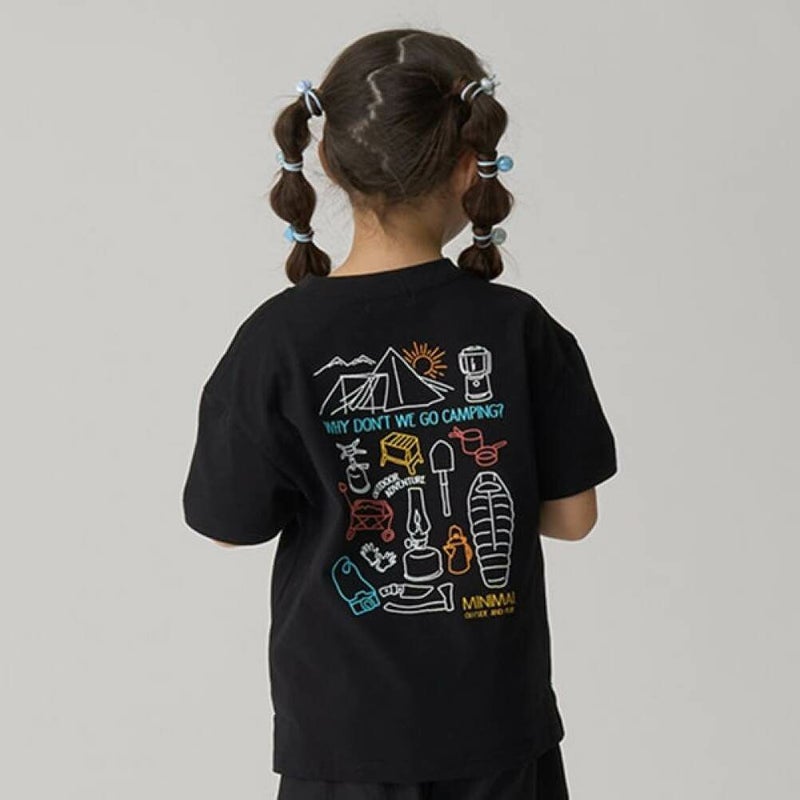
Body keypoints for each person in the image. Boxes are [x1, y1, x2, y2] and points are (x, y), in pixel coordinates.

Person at [182, 28, 618, 800]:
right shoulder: (518, 327)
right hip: (495, 730)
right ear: (470, 163)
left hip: (341, 739)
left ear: (325, 161)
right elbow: (573, 518)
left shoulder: (278, 339)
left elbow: (230, 523)